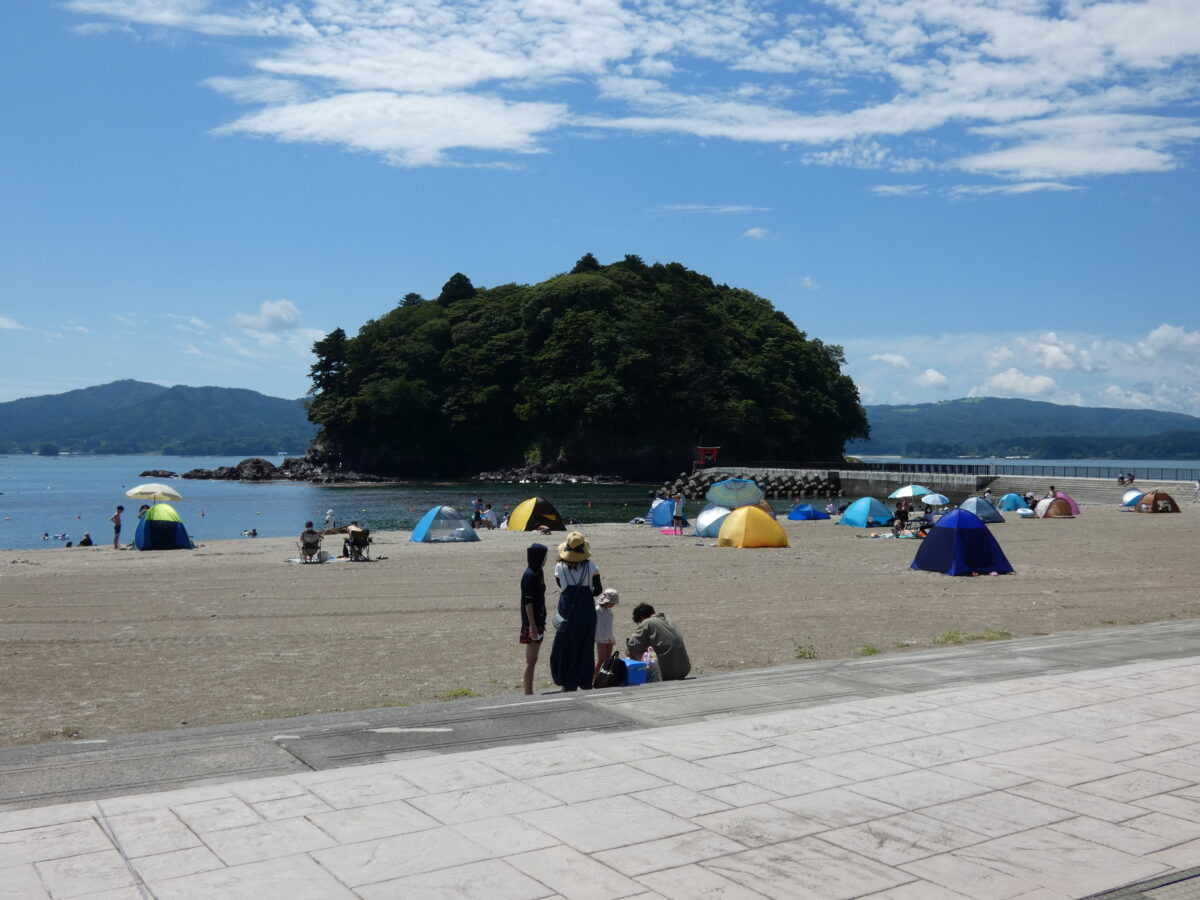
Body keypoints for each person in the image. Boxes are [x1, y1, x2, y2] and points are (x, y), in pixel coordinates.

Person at [549, 531, 602, 692]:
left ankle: (568, 682)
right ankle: (585, 681)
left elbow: (561, 586)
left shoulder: (560, 566)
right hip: (586, 610)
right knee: (586, 646)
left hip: (567, 609)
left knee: (567, 646)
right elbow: (598, 590)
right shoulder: (591, 566)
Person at [626, 603, 691, 681]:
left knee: (630, 652)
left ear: (641, 617)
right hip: (684, 670)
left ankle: (646, 678)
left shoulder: (647, 622)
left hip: (665, 673)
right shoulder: (670, 620)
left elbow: (632, 646)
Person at [520, 542, 548, 695]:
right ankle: (528, 692)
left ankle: (529, 691)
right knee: (531, 660)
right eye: (544, 556)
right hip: (533, 623)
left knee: (533, 659)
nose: (546, 559)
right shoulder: (530, 575)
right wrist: (532, 626)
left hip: (539, 620)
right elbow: (528, 603)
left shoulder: (538, 572)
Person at [593, 588, 619, 684]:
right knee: (601, 658)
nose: (613, 605)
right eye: (612, 603)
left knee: (608, 658)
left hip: (609, 635)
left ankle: (603, 677)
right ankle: (594, 678)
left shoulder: (609, 611)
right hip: (601, 636)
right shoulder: (597, 610)